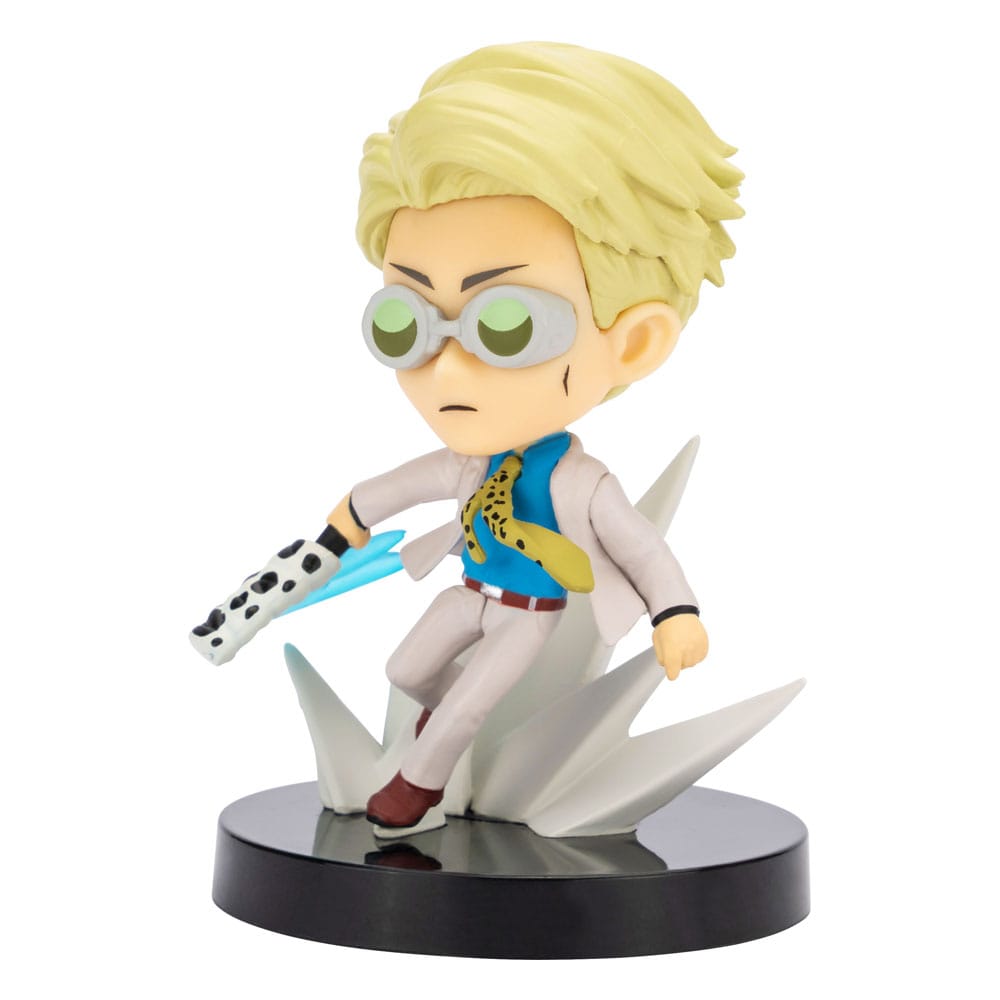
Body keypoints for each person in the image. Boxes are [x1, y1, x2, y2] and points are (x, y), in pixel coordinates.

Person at [321, 42, 744, 829]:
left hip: (528, 613)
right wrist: (349, 518)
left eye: (507, 325)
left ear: (635, 342)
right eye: (404, 322)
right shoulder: (469, 462)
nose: (447, 369)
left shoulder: (581, 485)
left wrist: (676, 613)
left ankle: (415, 789)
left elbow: (640, 548)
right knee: (407, 671)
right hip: (468, 593)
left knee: (467, 707)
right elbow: (404, 485)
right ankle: (441, 731)